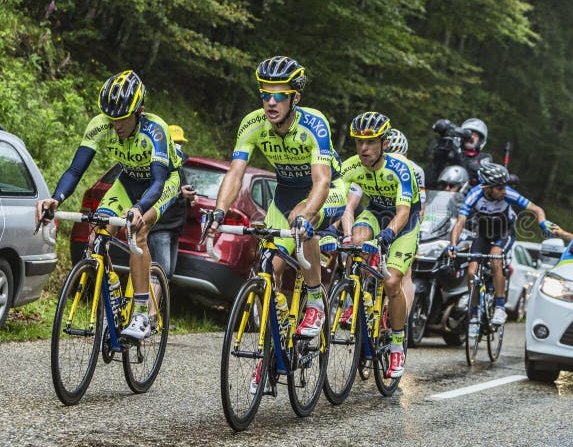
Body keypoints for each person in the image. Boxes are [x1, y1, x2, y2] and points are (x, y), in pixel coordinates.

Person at [36, 70, 182, 340]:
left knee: (138, 231)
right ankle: (113, 293)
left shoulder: (155, 129)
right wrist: (57, 197)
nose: (116, 125)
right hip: (126, 181)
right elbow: (76, 169)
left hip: (160, 184)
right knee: (97, 235)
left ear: (139, 110)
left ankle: (141, 312)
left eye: (122, 118)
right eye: (111, 118)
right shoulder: (100, 124)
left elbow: (159, 181)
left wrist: (139, 208)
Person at [208, 56, 346, 338]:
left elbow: (322, 180)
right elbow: (235, 174)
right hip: (284, 194)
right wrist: (218, 211)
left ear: (295, 98)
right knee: (266, 269)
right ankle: (273, 346)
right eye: (265, 95)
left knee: (300, 218)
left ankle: (316, 303)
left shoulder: (315, 123)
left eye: (279, 96)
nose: (271, 102)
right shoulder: (252, 123)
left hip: (326, 191)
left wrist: (307, 215)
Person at [340, 112, 422, 378]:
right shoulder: (352, 166)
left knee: (391, 282)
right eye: (359, 142)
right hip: (375, 212)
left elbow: (404, 211)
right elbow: (337, 200)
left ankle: (397, 343)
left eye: (371, 142)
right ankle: (357, 299)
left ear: (384, 143)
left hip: (403, 223)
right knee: (358, 241)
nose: (363, 148)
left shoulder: (401, 168)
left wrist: (388, 234)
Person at [447, 163, 571, 329]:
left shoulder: (508, 194)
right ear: (487, 188)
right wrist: (453, 245)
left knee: (496, 259)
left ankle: (499, 307)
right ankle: (475, 312)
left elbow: (536, 209)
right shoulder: (474, 195)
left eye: (505, 187)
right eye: (499, 188)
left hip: (505, 232)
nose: (504, 191)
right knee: (471, 272)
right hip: (484, 234)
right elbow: (460, 222)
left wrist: (542, 222)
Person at [147, 125, 197, 279]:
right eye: (175, 142)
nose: (178, 146)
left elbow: (182, 190)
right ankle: (147, 304)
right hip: (161, 226)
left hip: (174, 228)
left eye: (180, 143)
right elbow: (155, 192)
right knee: (159, 273)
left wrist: (190, 198)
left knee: (167, 274)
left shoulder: (178, 166)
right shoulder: (158, 165)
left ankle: (156, 303)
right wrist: (180, 194)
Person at [458, 118, 493, 187]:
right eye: (469, 134)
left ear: (480, 140)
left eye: (475, 135)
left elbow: (484, 177)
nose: (471, 137)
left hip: (472, 194)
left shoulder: (484, 157)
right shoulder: (455, 154)